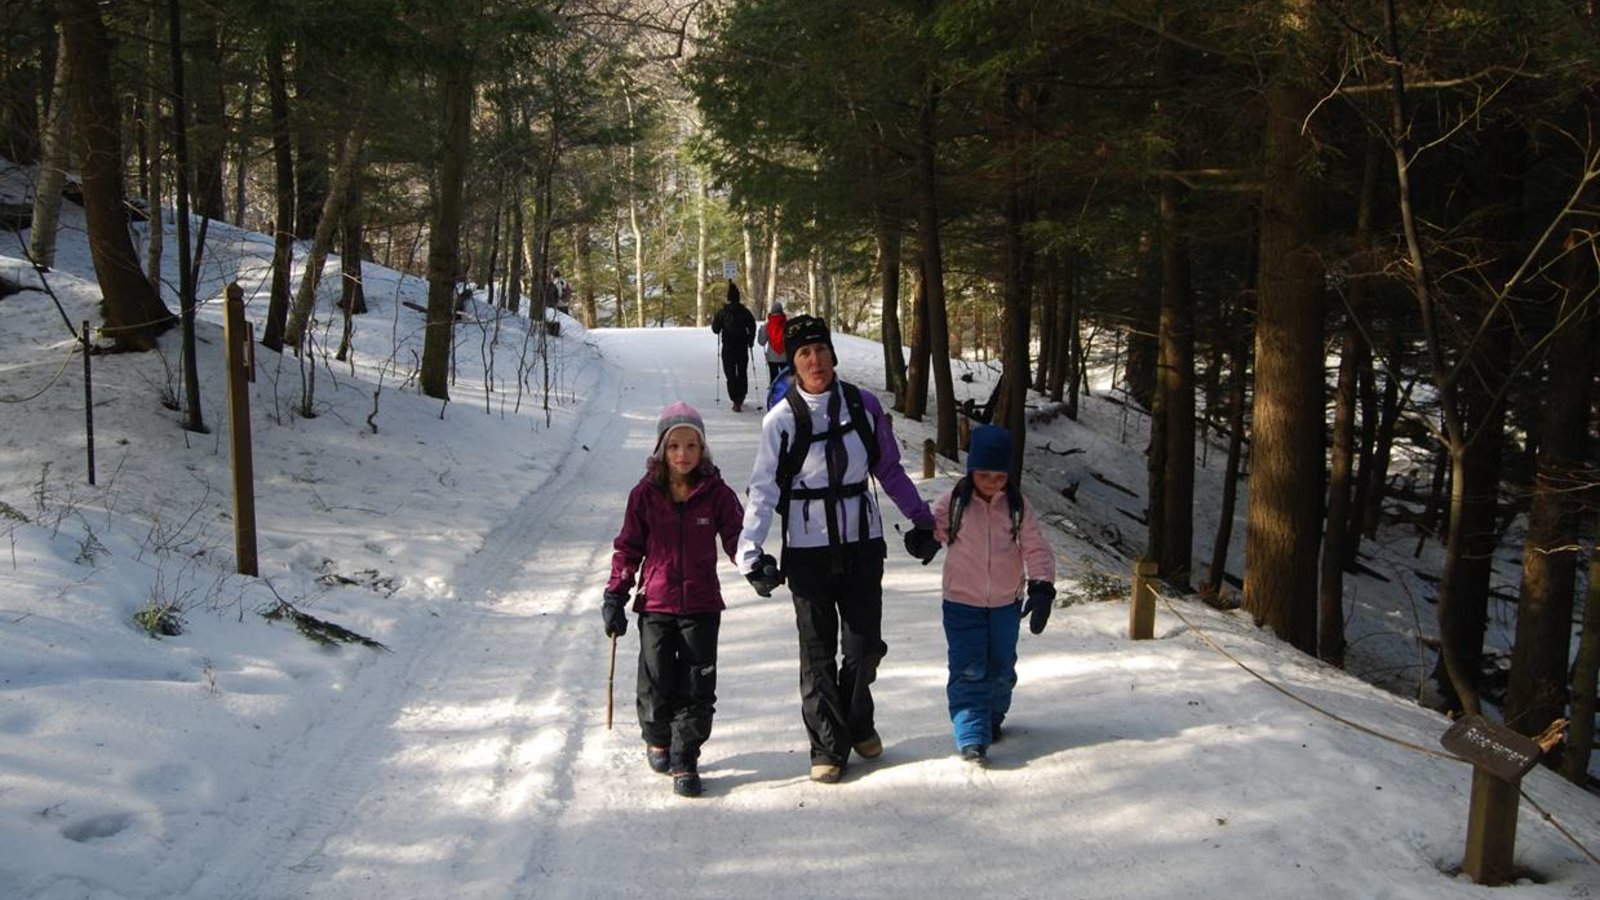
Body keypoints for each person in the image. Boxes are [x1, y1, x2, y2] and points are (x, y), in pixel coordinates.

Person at [738, 315, 940, 784]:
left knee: (864, 646)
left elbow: (889, 469)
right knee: (817, 652)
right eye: (804, 353)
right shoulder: (782, 419)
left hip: (862, 543)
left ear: (833, 354)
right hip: (807, 550)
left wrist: (922, 519)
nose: (815, 361)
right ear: (792, 361)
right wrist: (751, 553)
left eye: (821, 350)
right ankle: (828, 743)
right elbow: (764, 489)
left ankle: (857, 719)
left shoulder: (863, 406)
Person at [603, 402, 744, 797]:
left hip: (702, 605)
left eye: (692, 446)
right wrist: (615, 593)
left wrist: (757, 564)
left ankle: (686, 756)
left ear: (703, 450)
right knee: (657, 680)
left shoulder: (717, 493)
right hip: (657, 605)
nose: (683, 454)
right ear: (662, 450)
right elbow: (628, 548)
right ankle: (658, 736)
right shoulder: (644, 495)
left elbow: (738, 538)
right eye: (675, 446)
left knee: (698, 685)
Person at [931, 425, 1057, 767]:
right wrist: (924, 537)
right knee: (969, 668)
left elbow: (1035, 547)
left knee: (1002, 668)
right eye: (984, 474)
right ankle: (971, 734)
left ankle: (992, 716)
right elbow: (935, 526)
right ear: (972, 471)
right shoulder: (956, 501)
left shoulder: (1017, 507)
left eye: (999, 476)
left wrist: (1042, 585)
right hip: (960, 602)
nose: (991, 482)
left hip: (1005, 603)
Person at [710, 281, 757, 411]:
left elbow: (715, 329)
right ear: (738, 297)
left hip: (728, 347)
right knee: (742, 372)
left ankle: (735, 399)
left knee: (730, 374)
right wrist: (750, 340)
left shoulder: (722, 312)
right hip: (742, 347)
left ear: (728, 298)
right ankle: (741, 397)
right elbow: (752, 326)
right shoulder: (745, 311)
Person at [756, 300, 787, 385]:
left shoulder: (767, 325)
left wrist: (760, 332)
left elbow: (761, 342)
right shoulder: (787, 325)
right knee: (785, 378)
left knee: (774, 378)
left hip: (772, 357)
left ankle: (774, 394)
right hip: (785, 356)